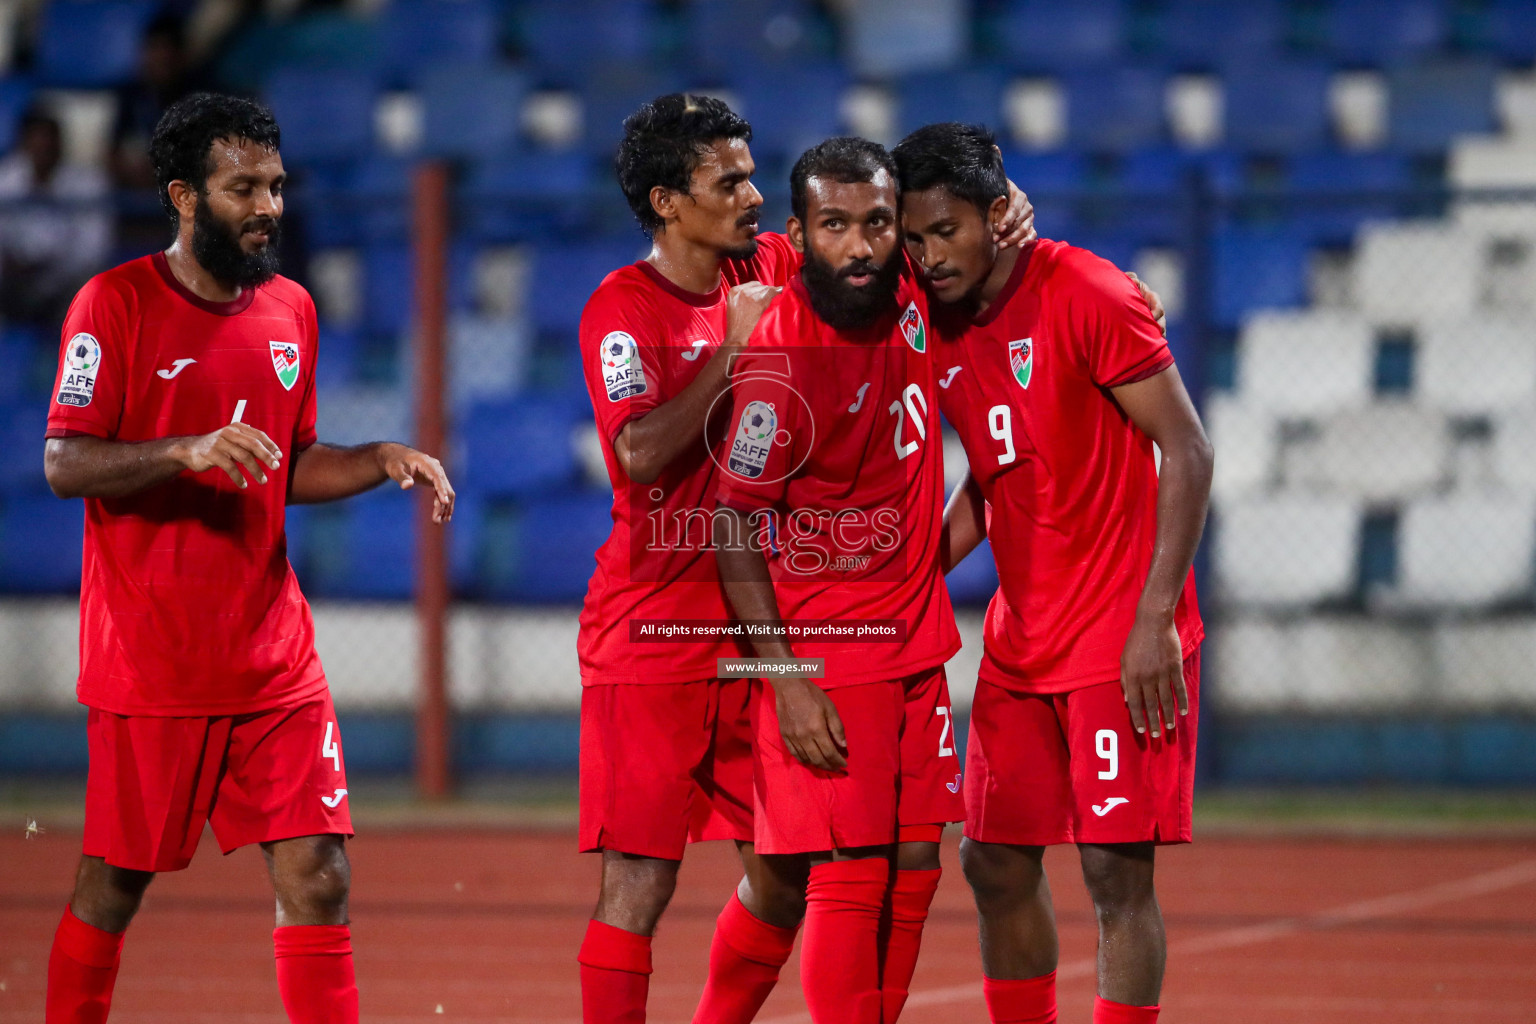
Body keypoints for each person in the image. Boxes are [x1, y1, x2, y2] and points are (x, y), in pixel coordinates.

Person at [577, 96, 1034, 1024]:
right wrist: (728, 352)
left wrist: (1008, 202)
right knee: (640, 886)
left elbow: (880, 224)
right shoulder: (624, 313)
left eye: (752, 177)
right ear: (668, 202)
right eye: (726, 180)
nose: (748, 192)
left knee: (789, 878)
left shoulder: (780, 260)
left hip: (768, 624)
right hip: (658, 630)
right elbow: (632, 453)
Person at [40, 92, 455, 1024]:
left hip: (274, 663)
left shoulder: (291, 310)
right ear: (184, 196)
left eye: (275, 185)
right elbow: (65, 463)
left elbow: (285, 462)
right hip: (154, 663)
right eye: (243, 189)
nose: (268, 206)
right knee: (114, 886)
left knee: (318, 871)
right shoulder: (111, 305)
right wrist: (180, 448)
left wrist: (376, 457)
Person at [893, 122, 1211, 1024]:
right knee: (991, 859)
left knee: (1115, 875)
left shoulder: (1091, 292)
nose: (927, 255)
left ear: (1000, 215)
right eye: (914, 239)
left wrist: (1154, 622)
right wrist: (911, 571)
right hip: (1023, 642)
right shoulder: (936, 314)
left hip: (1120, 638)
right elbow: (996, 474)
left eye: (944, 231)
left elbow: (1187, 451)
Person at [711, 136, 965, 1024]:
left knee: (916, 869)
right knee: (850, 878)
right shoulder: (783, 367)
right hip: (831, 649)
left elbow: (985, 241)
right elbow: (730, 525)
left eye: (876, 224)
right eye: (834, 226)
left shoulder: (907, 294)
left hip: (918, 643)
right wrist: (785, 682)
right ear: (800, 233)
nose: (859, 246)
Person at [0, 106, 112, 332]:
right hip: (13, 282)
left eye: (48, 144)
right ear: (24, 144)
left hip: (65, 284)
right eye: (35, 142)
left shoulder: (88, 185)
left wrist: (52, 267)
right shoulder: (6, 180)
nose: (42, 149)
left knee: (89, 294)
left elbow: (94, 250)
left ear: (60, 144)